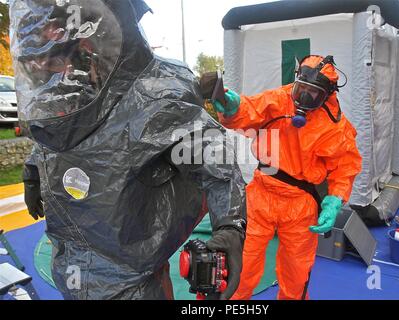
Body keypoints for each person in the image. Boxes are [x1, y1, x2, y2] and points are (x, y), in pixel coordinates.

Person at [11, 0, 246, 300]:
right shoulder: (65, 92)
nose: (45, 68)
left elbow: (214, 157)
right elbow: (55, 138)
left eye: (54, 55)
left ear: (86, 42)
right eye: (39, 57)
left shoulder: (154, 91)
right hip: (71, 269)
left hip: (132, 282)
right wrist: (33, 171)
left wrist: (229, 227)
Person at [212, 55, 362, 300]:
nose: (304, 98)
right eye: (301, 89)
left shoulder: (335, 126)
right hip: (262, 191)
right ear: (296, 81)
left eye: (313, 94)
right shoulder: (280, 99)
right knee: (241, 263)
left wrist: (335, 199)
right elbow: (250, 110)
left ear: (327, 95)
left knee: (296, 271)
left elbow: (345, 165)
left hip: (300, 202)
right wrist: (232, 106)